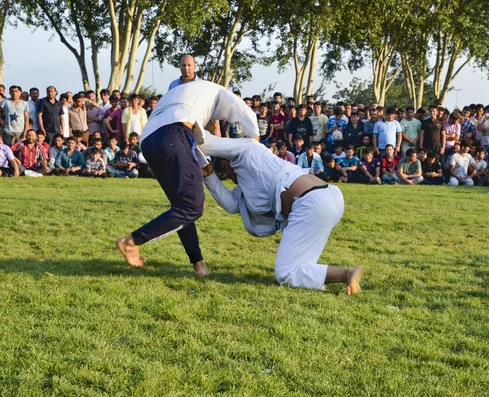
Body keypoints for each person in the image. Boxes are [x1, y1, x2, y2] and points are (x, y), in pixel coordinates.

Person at [116, 80, 259, 278]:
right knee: (193, 207)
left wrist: (204, 165)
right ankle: (131, 241)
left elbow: (200, 141)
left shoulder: (188, 97)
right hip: (174, 135)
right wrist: (255, 143)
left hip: (149, 141)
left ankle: (199, 265)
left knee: (182, 206)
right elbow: (248, 116)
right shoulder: (220, 93)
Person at [200, 132, 364, 294]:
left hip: (312, 203)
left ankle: (347, 273)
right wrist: (210, 175)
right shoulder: (251, 177)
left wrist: (189, 136)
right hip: (327, 198)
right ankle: (317, 277)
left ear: (230, 159)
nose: (228, 176)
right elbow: (232, 204)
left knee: (286, 273)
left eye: (224, 168)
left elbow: (205, 141)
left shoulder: (248, 153)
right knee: (300, 265)